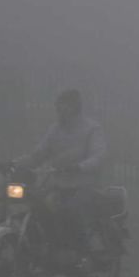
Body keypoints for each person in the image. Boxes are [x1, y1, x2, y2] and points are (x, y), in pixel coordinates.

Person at [14, 89, 107, 265]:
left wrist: (79, 167)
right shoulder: (55, 130)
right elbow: (39, 154)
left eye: (66, 105)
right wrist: (15, 163)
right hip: (58, 184)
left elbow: (99, 155)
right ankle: (51, 246)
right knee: (37, 204)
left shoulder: (92, 129)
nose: (61, 109)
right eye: (60, 105)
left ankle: (86, 251)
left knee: (70, 209)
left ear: (75, 107)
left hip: (85, 185)